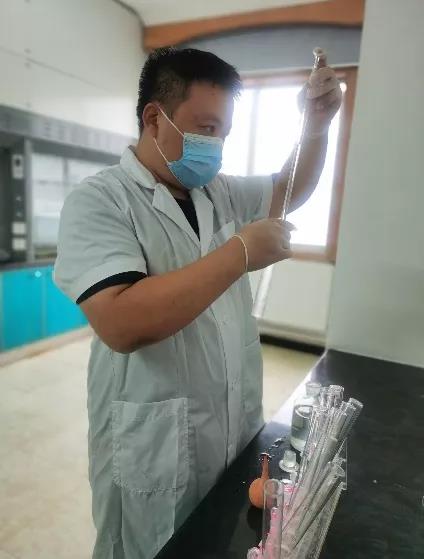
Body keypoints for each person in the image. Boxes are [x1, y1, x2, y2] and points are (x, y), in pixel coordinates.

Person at [55, 47, 341, 559]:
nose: (216, 146)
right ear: (154, 118)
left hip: (231, 425)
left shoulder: (217, 192)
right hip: (155, 443)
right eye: (206, 128)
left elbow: (288, 188)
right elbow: (120, 322)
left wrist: (316, 127)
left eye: (224, 133)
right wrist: (239, 253)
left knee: (223, 538)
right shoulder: (100, 200)